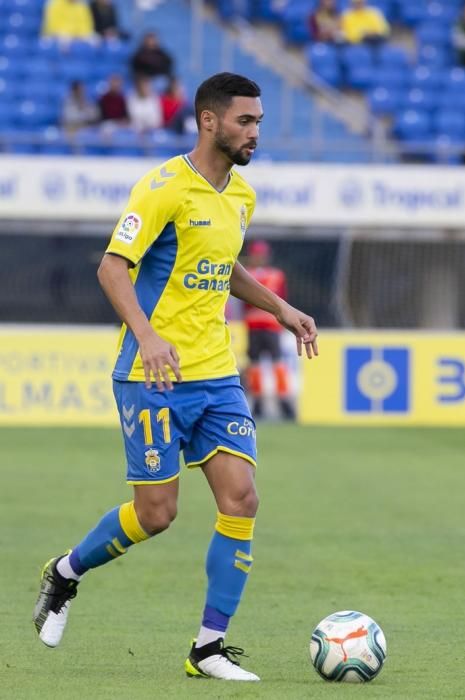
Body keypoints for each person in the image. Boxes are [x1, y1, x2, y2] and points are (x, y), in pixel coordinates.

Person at [32, 72, 318, 682]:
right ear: (209, 120)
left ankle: (208, 648)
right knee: (157, 513)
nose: (255, 132)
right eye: (246, 121)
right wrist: (149, 335)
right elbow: (113, 269)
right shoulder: (162, 187)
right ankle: (65, 573)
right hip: (150, 373)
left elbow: (225, 264)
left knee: (241, 498)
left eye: (260, 122)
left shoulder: (241, 196)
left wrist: (280, 308)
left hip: (214, 371)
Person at [244, 240, 296, 420]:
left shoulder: (263, 275)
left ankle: (284, 402)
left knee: (277, 363)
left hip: (270, 326)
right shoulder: (252, 274)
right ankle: (258, 403)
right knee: (256, 365)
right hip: (255, 326)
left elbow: (282, 299)